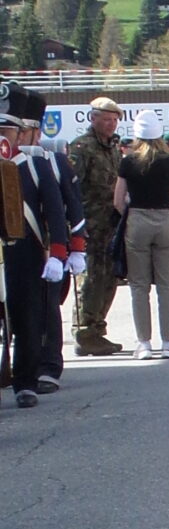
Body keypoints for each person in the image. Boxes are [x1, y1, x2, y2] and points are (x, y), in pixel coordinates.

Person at [0, 83, 72, 407]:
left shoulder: (36, 164)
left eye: (7, 131)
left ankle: (25, 381)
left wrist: (59, 252)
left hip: (25, 251)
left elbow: (55, 211)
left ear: (20, 134)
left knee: (27, 315)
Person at [114, 107, 169, 358]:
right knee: (166, 286)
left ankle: (143, 343)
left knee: (139, 286)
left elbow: (117, 200)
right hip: (164, 218)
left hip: (137, 220)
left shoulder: (128, 161)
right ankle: (168, 342)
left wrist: (131, 214)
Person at [68, 96, 126, 354]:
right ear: (93, 119)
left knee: (109, 278)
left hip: (110, 224)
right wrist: (76, 224)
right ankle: (84, 332)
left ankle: (97, 330)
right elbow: (72, 188)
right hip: (90, 224)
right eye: (106, 119)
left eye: (114, 120)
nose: (111, 124)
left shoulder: (113, 147)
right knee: (90, 279)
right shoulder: (81, 148)